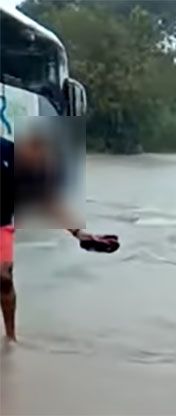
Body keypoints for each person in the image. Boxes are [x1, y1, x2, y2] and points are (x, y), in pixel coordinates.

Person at [0, 129, 119, 341]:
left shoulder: (10, 152)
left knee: (4, 277)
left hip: (1, 225)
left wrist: (78, 232)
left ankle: (10, 339)